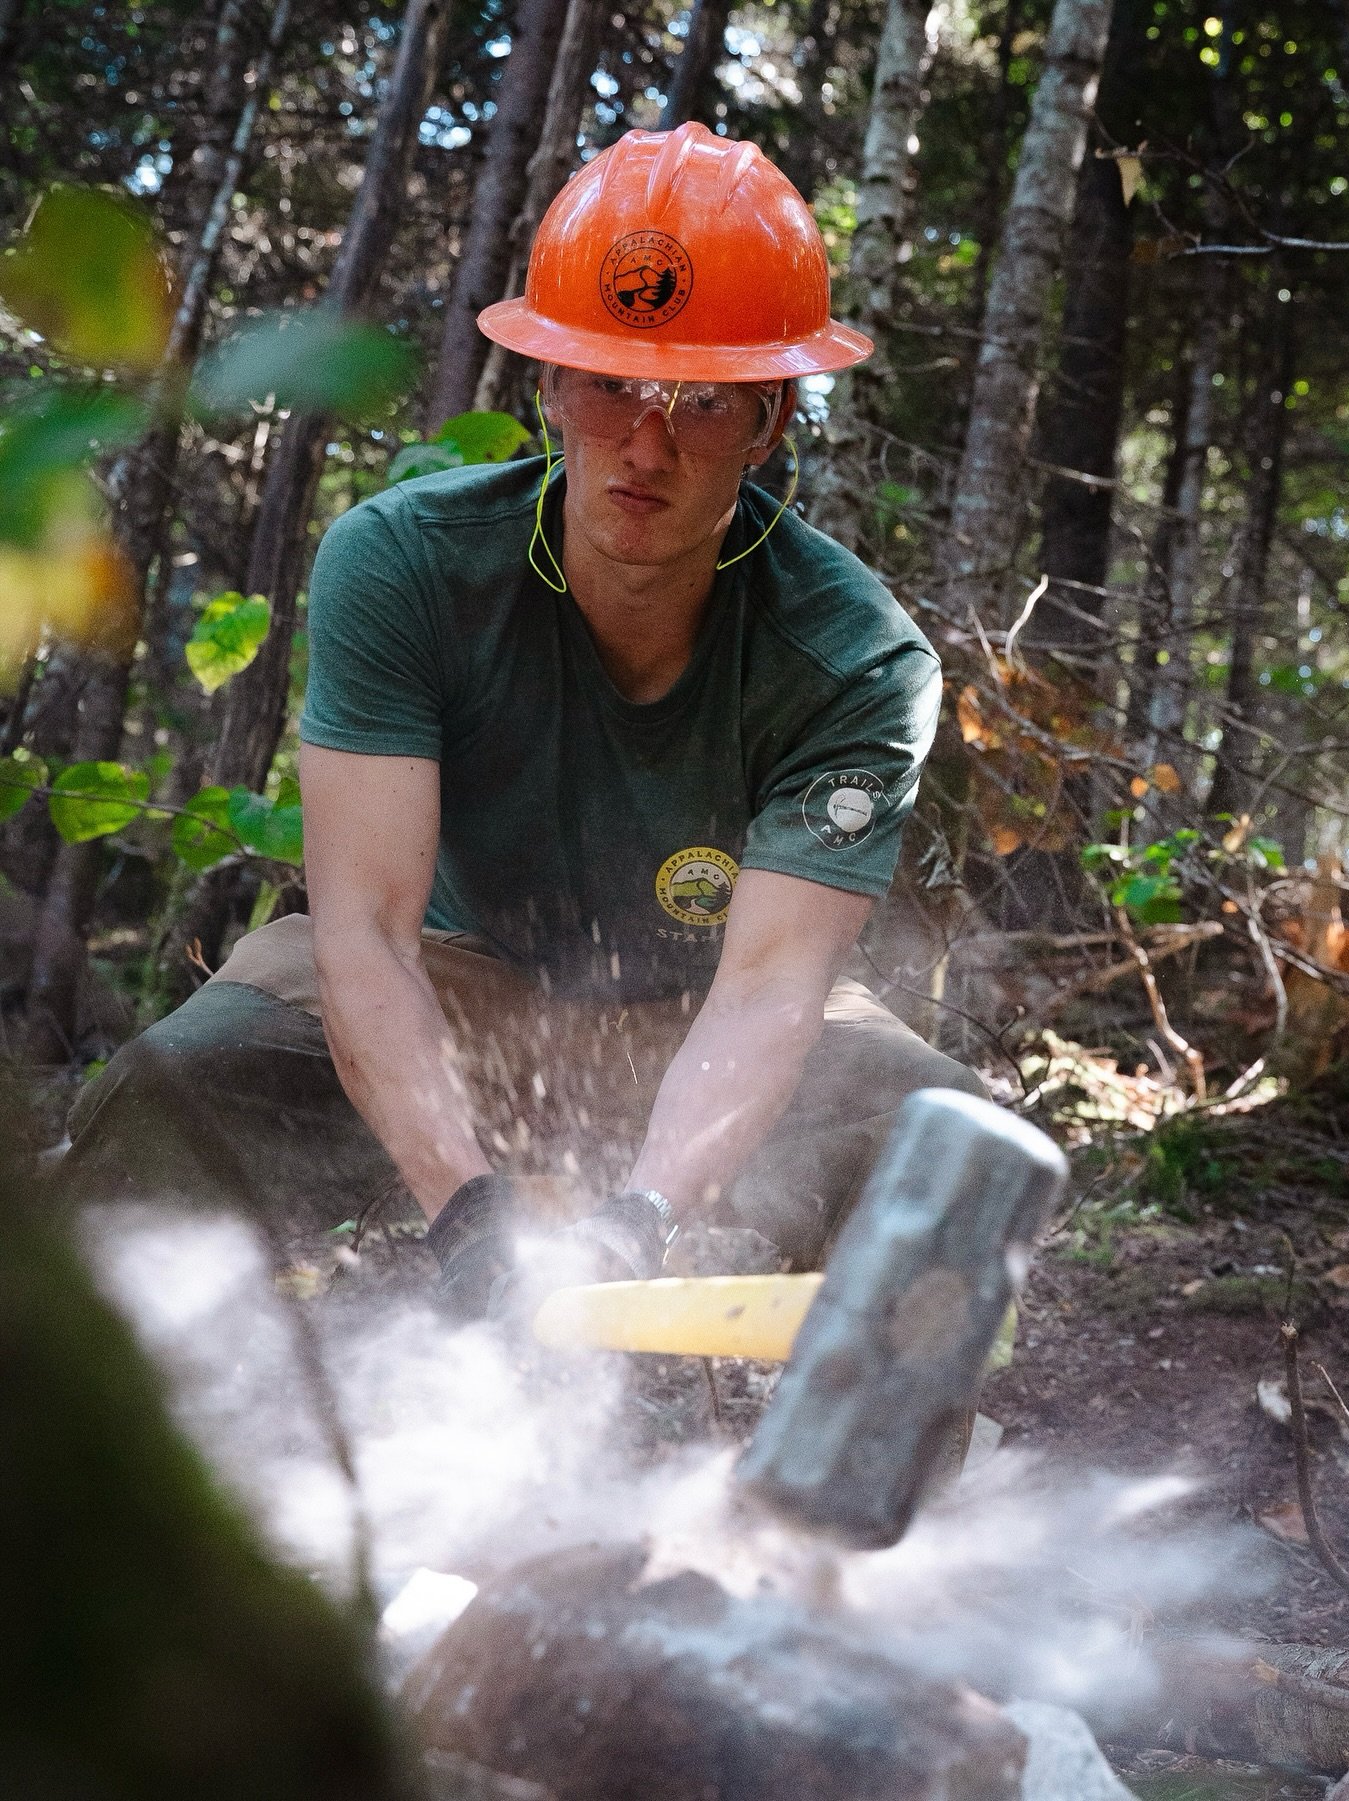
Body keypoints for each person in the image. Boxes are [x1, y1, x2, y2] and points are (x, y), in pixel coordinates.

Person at [55, 122, 984, 1314]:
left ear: (770, 425)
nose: (645, 445)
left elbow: (765, 992)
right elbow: (368, 935)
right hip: (451, 978)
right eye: (611, 386)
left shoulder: (859, 659)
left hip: (698, 1013)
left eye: (701, 405)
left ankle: (847, 1487)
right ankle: (100, 1451)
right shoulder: (403, 562)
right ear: (549, 384)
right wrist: (471, 1215)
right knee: (170, 1089)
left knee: (945, 1145)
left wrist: (639, 1222)